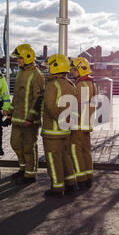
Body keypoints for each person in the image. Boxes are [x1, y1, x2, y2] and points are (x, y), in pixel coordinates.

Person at [6, 44, 45, 185]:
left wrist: (31, 117)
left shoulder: (37, 75)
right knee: (15, 143)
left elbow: (39, 99)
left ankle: (30, 173)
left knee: (29, 147)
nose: (18, 61)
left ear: (28, 58)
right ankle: (22, 168)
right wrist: (9, 114)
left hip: (30, 121)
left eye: (20, 58)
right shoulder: (20, 73)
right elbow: (16, 96)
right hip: (17, 118)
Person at [42, 53, 77, 197]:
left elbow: (50, 107)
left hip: (53, 131)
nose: (48, 69)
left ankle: (57, 189)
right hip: (66, 131)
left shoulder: (52, 85)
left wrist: (60, 119)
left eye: (50, 66)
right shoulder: (71, 84)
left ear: (56, 67)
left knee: (53, 159)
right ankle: (71, 184)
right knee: (66, 157)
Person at [69, 57, 98, 190]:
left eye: (74, 70)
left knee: (75, 151)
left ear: (80, 70)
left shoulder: (81, 85)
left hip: (79, 124)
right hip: (86, 124)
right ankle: (88, 177)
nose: (72, 72)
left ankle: (81, 179)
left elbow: (78, 106)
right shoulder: (92, 84)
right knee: (86, 151)